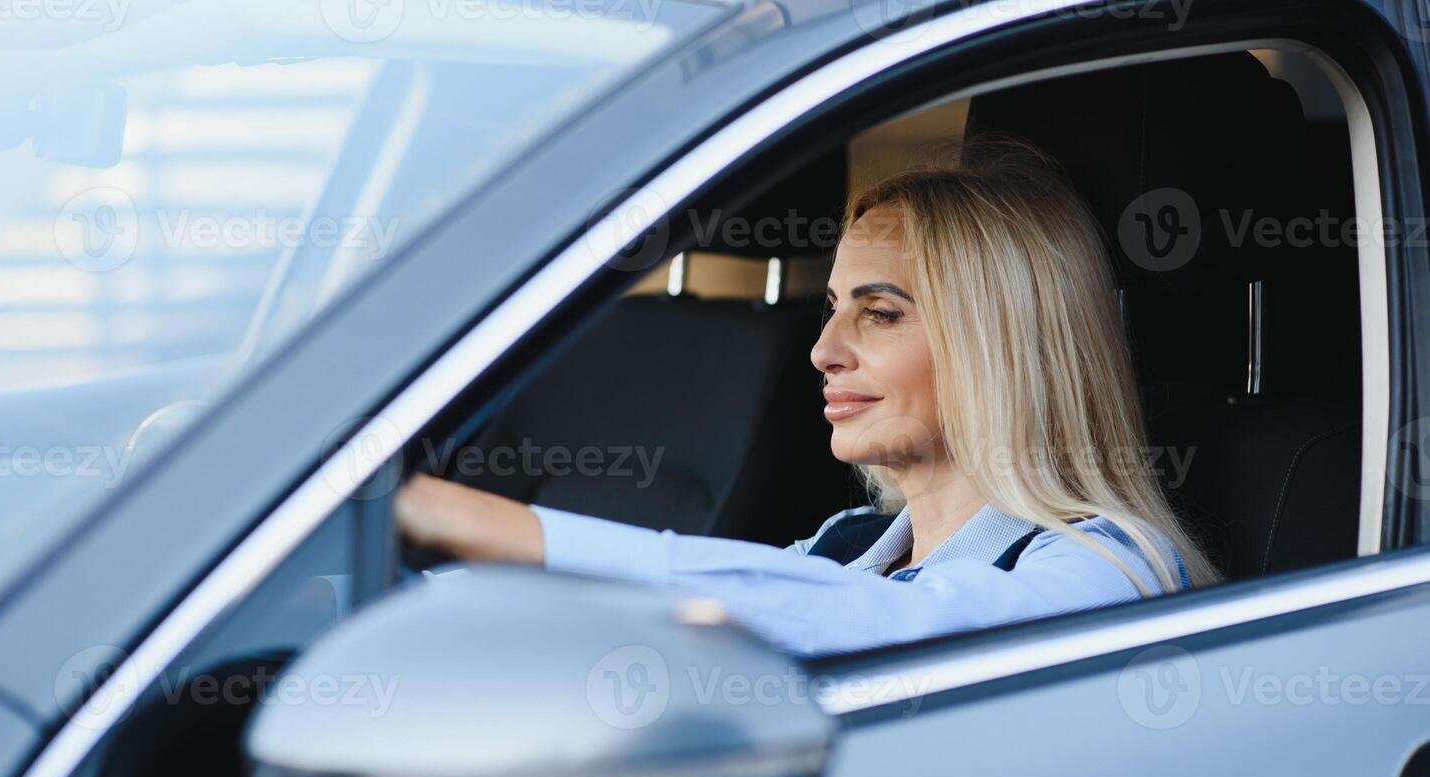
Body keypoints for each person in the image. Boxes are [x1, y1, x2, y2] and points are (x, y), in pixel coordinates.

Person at [394, 144, 1219, 657]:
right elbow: (666, 624)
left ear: (1001, 343)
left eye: (881, 312)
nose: (824, 352)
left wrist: (497, 528)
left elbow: (889, 633)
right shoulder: (848, 546)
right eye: (832, 308)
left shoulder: (1109, 571)